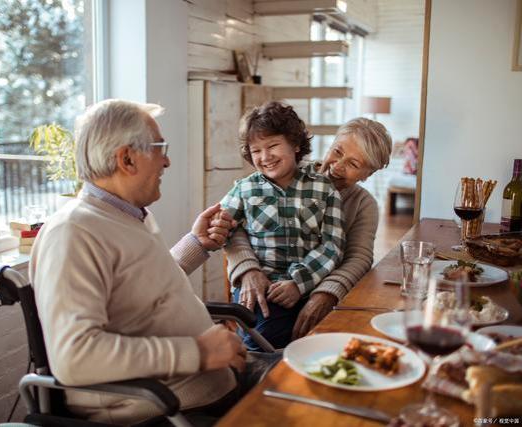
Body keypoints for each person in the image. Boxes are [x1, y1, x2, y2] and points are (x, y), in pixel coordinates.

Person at [30, 99, 275, 426]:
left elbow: (144, 289)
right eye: (160, 148)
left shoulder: (125, 215)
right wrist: (198, 352)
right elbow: (74, 357)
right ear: (127, 158)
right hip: (167, 408)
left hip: (211, 381)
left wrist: (196, 244)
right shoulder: (73, 232)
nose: (167, 161)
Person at [226, 117, 392, 345]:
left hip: (316, 283)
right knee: (264, 336)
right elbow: (232, 228)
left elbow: (357, 258)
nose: (337, 165)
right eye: (337, 151)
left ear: (368, 175)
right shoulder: (283, 171)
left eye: (353, 164)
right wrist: (248, 270)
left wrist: (324, 292)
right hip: (269, 282)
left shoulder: (365, 205)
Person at [219, 101, 346, 350]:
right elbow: (220, 230)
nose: (265, 157)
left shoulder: (323, 188)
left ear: (296, 144)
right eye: (256, 150)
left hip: (314, 285)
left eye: (273, 146)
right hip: (264, 290)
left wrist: (299, 283)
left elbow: (333, 244)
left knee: (331, 340)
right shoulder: (244, 189)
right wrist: (247, 271)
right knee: (265, 342)